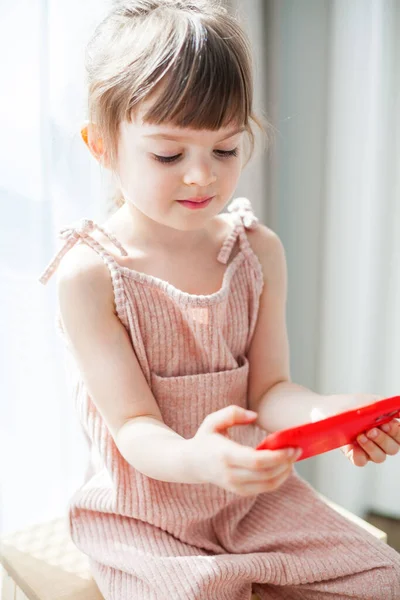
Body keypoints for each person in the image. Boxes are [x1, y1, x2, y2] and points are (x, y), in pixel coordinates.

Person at [38, 1, 400, 598]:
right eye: (168, 155)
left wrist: (328, 415)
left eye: (225, 150)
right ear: (101, 146)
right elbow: (133, 429)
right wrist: (201, 460)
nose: (202, 177)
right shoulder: (91, 276)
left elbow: (270, 392)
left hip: (252, 502)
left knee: (380, 574)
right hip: (144, 515)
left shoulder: (256, 251)